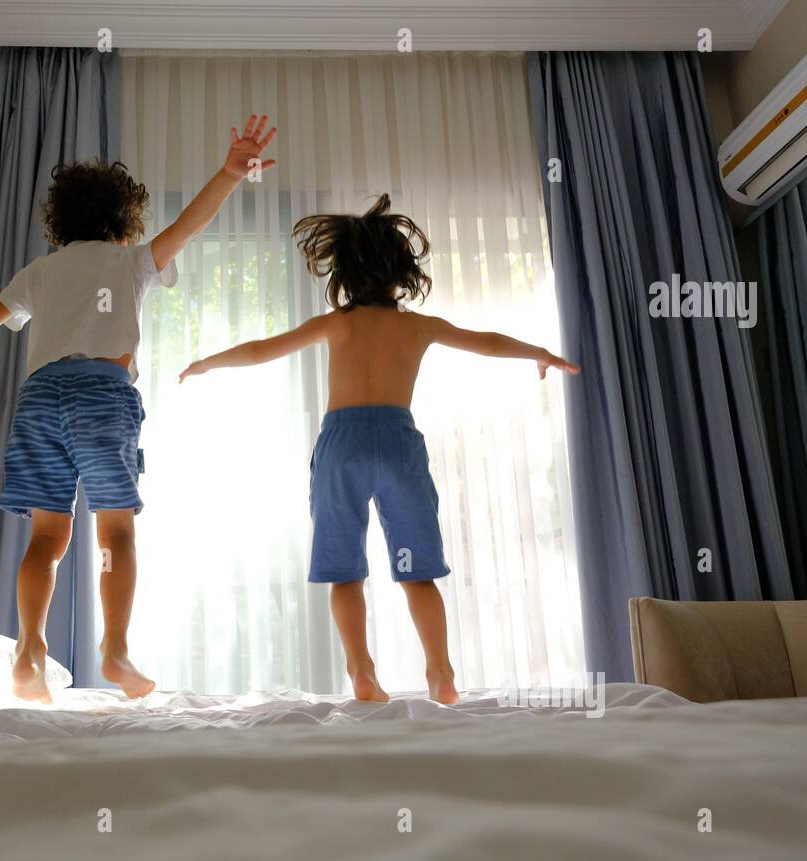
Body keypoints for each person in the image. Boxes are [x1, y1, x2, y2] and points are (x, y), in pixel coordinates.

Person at [0, 116, 278, 703]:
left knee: (46, 539)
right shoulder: (131, 262)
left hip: (40, 398)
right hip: (103, 393)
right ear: (124, 220)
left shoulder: (40, 272)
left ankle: (28, 649)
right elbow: (188, 228)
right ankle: (115, 650)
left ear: (60, 221)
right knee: (115, 532)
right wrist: (228, 174)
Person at [179, 195, 578, 703]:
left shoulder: (336, 324)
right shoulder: (417, 326)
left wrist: (207, 363)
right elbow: (488, 341)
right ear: (401, 273)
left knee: (344, 572)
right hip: (397, 445)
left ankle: (362, 671)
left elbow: (263, 349)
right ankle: (441, 673)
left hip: (342, 445)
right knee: (419, 572)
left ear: (343, 273)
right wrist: (538, 353)